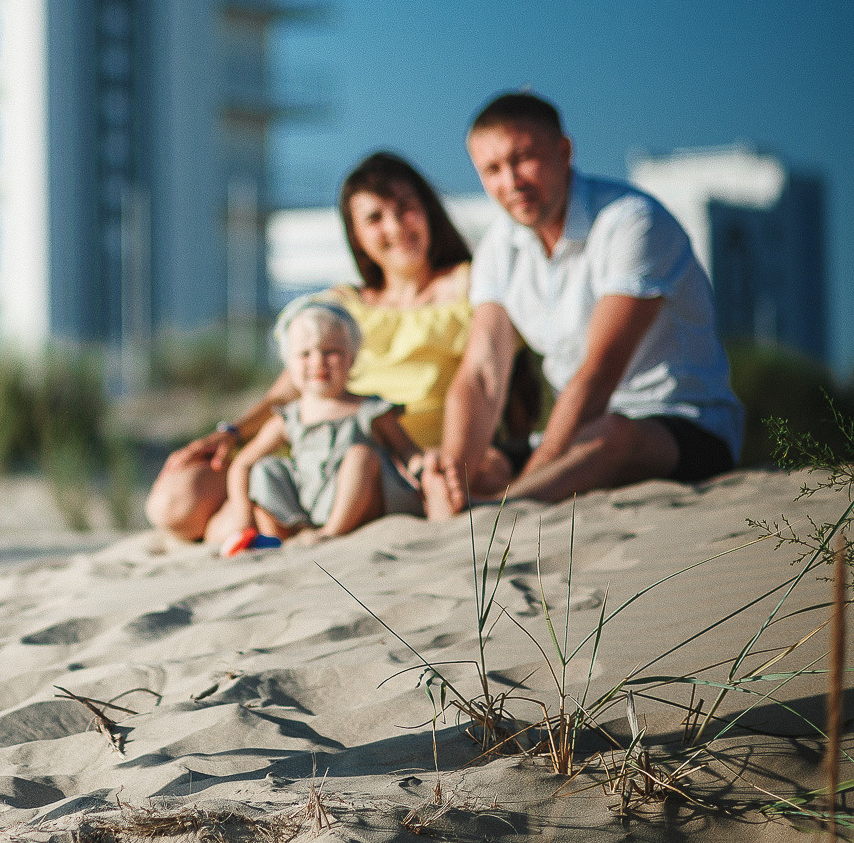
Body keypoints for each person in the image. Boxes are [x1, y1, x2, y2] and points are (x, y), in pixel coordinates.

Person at [146, 152, 533, 543]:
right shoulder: (341, 304)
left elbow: (484, 375)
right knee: (175, 502)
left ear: (428, 209)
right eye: (374, 218)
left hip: (414, 458)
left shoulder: (474, 285)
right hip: (317, 450)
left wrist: (447, 464)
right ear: (356, 236)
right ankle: (280, 524)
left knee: (479, 470)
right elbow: (288, 389)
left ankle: (298, 527)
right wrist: (231, 433)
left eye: (405, 208)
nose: (396, 226)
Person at [426, 93, 743, 514]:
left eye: (523, 159)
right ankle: (475, 509)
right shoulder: (499, 248)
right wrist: (454, 471)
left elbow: (599, 371)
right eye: (492, 169)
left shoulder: (632, 222)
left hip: (682, 425)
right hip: (576, 436)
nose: (512, 181)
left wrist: (535, 473)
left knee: (612, 435)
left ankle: (503, 510)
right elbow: (482, 373)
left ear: (564, 151)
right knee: (475, 464)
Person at [205, 298, 426, 555]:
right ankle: (279, 535)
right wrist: (244, 520)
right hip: (306, 505)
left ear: (351, 358)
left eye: (331, 351)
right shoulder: (290, 417)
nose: (318, 361)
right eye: (305, 354)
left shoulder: (369, 411)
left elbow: (408, 452)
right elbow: (243, 463)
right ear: (288, 363)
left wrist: (425, 469)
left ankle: (330, 533)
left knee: (361, 455)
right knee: (266, 469)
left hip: (358, 506)